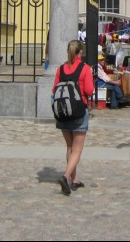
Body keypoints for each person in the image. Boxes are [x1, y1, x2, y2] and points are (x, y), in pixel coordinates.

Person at [54, 39, 94, 196]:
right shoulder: (85, 68)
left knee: (69, 147)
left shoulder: (61, 69)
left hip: (63, 113)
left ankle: (74, 179)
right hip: (78, 111)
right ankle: (65, 177)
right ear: (81, 52)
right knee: (77, 150)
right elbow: (89, 91)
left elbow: (54, 90)